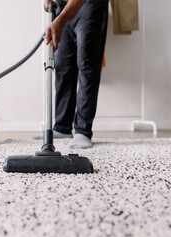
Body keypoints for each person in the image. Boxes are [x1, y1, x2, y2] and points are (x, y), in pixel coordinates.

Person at [43, 0, 109, 149]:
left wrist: (60, 19)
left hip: (90, 5)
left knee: (87, 65)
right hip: (64, 6)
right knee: (62, 65)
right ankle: (62, 126)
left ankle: (83, 131)